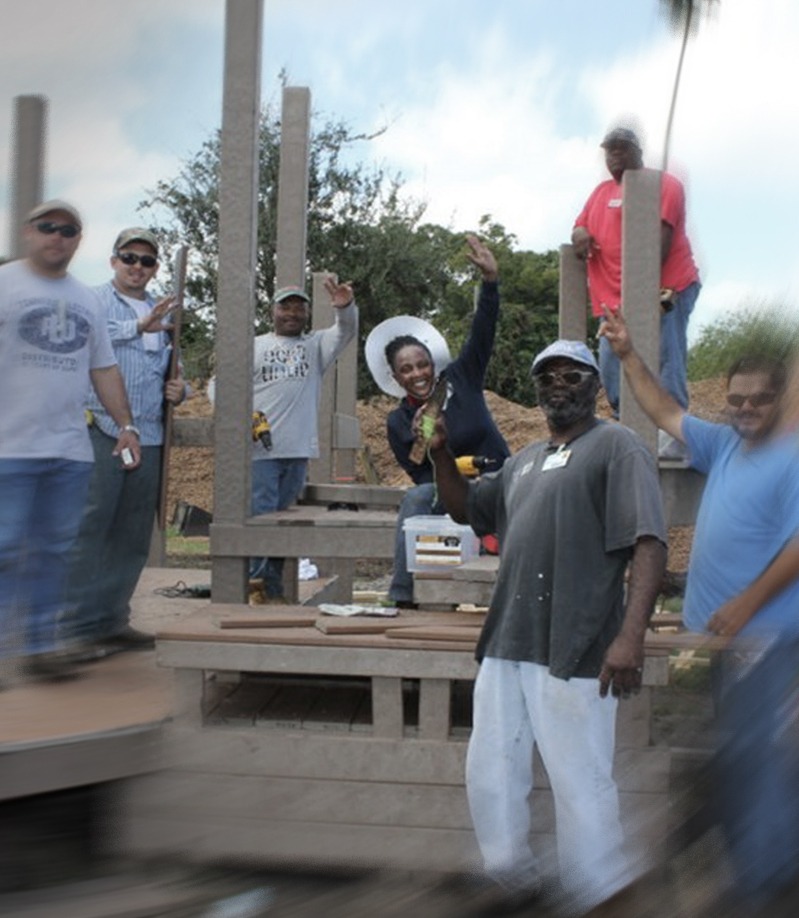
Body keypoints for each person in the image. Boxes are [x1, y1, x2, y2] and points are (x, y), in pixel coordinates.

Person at [427, 339, 667, 913]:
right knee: (491, 763)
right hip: (509, 636)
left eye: (573, 374)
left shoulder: (618, 447)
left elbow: (649, 544)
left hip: (577, 639)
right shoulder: (524, 460)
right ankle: (507, 871)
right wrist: (439, 454)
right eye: (548, 376)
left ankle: (598, 887)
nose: (559, 384)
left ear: (596, 383)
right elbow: (464, 508)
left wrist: (631, 635)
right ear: (537, 390)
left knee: (579, 772)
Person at [601, 308, 799, 912]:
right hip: (716, 638)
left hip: (764, 633)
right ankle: (755, 860)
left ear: (778, 401)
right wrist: (631, 355)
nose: (744, 410)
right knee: (735, 749)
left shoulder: (792, 456)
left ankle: (765, 878)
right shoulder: (724, 445)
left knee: (753, 752)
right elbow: (664, 410)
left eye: (758, 401)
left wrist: (745, 603)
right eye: (736, 399)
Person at [0, 201, 141, 682]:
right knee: (3, 548)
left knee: (54, 550)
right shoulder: (5, 284)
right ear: (27, 232)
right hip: (8, 450)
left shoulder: (86, 300)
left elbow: (103, 367)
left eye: (68, 230)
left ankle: (41, 647)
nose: (57, 236)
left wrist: (127, 425)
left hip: (68, 451)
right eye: (48, 227)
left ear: (79, 241)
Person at [61, 228, 186, 659]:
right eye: (129, 257)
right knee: (90, 528)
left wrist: (181, 390)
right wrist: (137, 326)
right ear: (113, 261)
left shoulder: (163, 311)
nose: (137, 267)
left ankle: (111, 622)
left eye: (147, 261)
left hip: (149, 436)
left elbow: (174, 369)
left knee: (132, 536)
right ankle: (72, 629)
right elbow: (82, 343)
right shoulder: (92, 300)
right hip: (101, 430)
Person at [364, 235, 509, 607]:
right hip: (452, 494)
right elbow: (423, 479)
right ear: (395, 378)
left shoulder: (462, 379)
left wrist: (490, 282)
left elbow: (484, 331)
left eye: (423, 364)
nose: (418, 373)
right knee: (416, 497)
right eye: (407, 369)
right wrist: (426, 444)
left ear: (434, 363)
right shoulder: (400, 422)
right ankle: (403, 598)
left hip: (497, 480)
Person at [572, 126, 700, 433]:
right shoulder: (600, 193)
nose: (615, 155)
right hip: (613, 299)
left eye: (622, 148)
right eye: (610, 150)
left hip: (664, 288)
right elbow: (578, 226)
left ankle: (675, 430)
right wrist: (581, 235)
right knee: (610, 365)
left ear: (638, 153)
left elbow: (658, 247)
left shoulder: (664, 185)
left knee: (665, 356)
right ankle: (627, 423)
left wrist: (640, 301)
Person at [250, 277, 357, 599]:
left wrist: (345, 307)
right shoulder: (254, 346)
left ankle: (271, 589)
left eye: (299, 307)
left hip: (296, 450)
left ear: (308, 313)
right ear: (273, 311)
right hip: (258, 451)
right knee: (262, 519)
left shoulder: (316, 346)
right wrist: (241, 417)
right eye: (286, 306)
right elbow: (219, 385)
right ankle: (253, 587)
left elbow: (346, 331)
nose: (292, 313)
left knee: (283, 525)